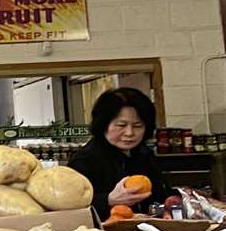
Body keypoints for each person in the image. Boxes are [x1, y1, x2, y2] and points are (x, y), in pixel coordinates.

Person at [68, 87, 169, 218]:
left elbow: (162, 192)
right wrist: (108, 200)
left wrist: (170, 202)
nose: (130, 133)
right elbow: (69, 208)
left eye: (138, 126)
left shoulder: (144, 154)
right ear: (104, 125)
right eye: (121, 125)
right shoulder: (85, 160)